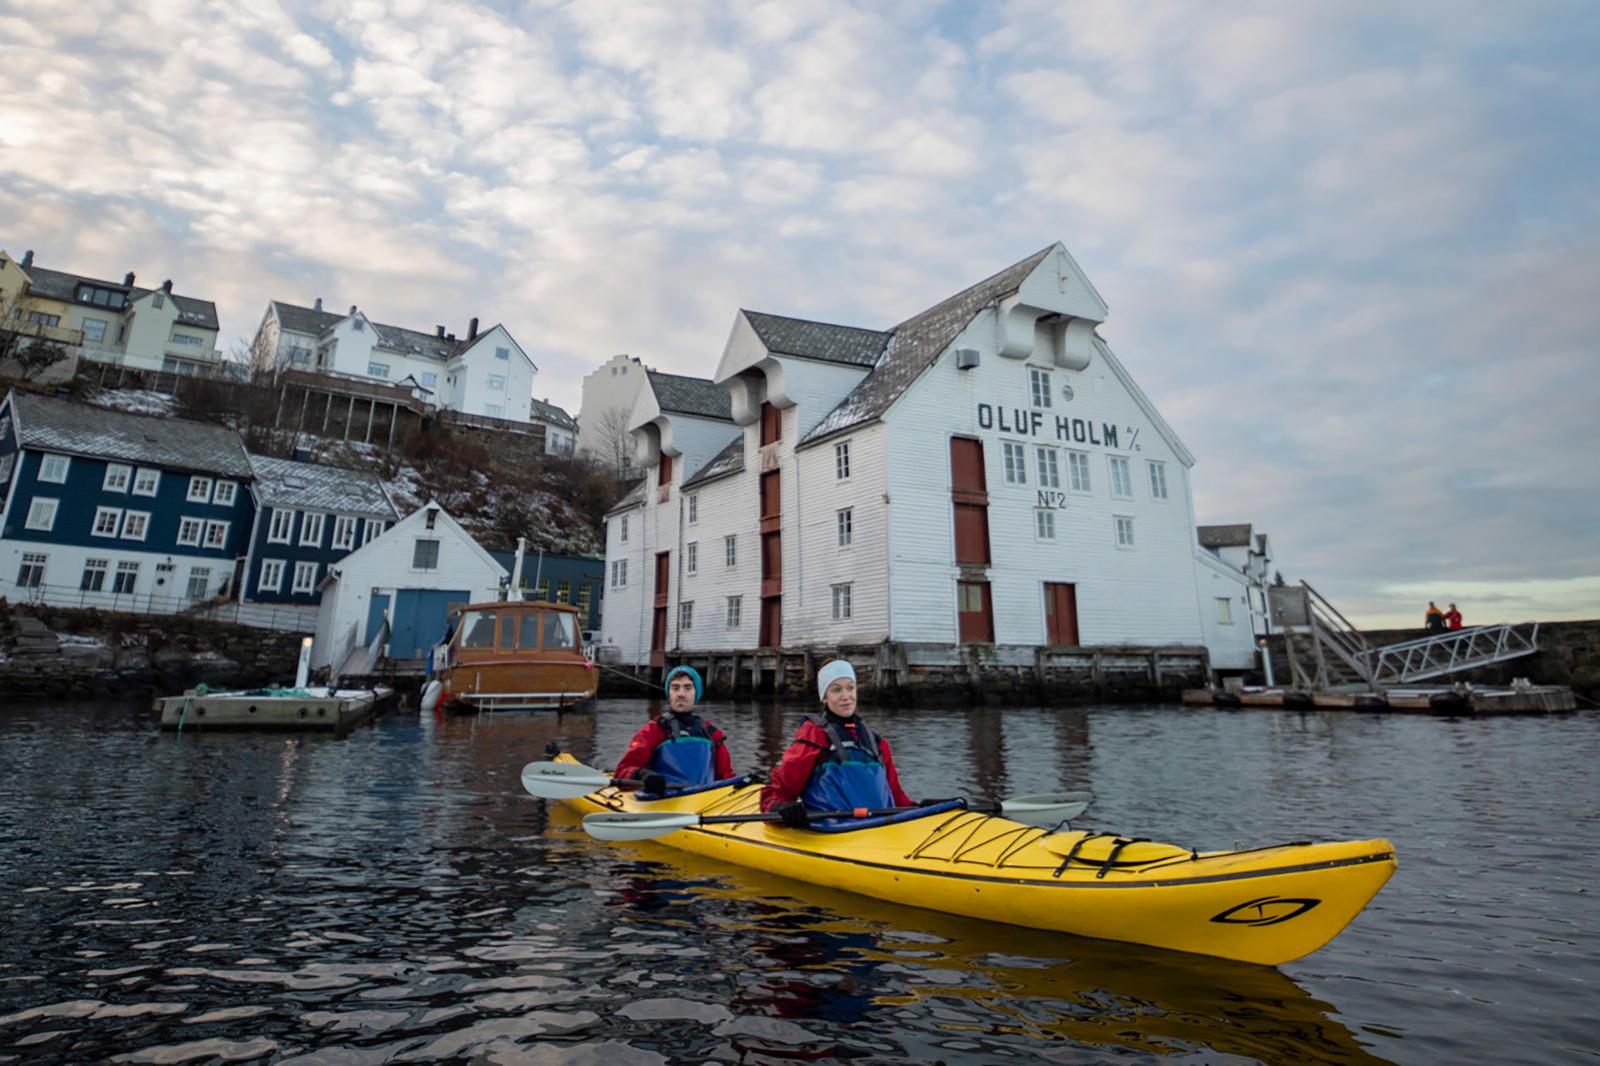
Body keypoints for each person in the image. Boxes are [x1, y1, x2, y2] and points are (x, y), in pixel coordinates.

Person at [760, 660, 914, 828]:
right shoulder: (813, 735)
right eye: (836, 690)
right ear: (825, 697)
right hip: (834, 830)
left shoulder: (877, 742)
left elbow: (897, 797)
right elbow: (781, 789)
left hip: (878, 829)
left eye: (850, 687)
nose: (846, 696)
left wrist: (923, 808)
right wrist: (777, 806)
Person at [614, 665, 733, 795]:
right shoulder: (653, 730)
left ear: (696, 693)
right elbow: (622, 772)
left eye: (688, 688)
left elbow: (726, 776)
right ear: (669, 693)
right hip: (663, 799)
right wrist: (643, 774)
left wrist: (749, 784)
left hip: (703, 800)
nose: (681, 694)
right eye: (675, 688)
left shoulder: (712, 734)